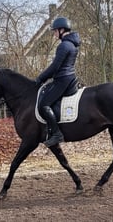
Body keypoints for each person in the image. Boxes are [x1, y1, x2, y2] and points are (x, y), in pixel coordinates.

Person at [35, 17, 81, 147]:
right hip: (68, 77)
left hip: (63, 79)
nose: (54, 33)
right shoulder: (71, 44)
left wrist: (40, 78)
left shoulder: (64, 45)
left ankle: (57, 133)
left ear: (62, 30)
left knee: (44, 104)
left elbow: (55, 67)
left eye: (55, 31)